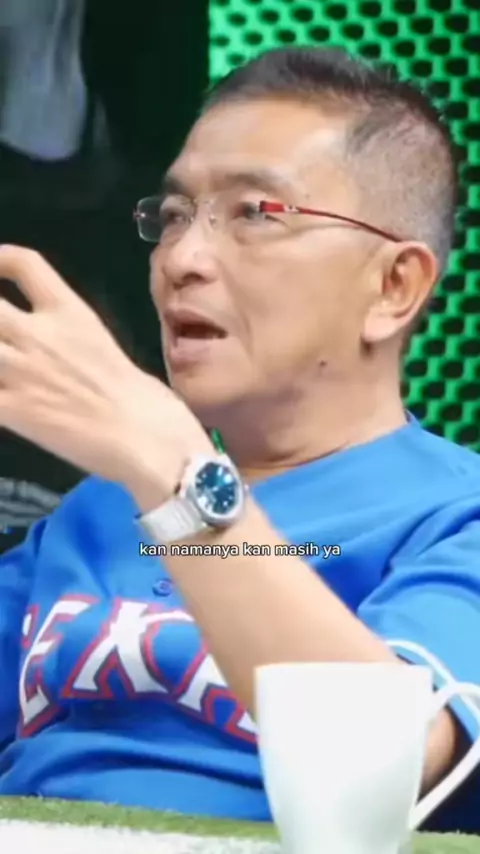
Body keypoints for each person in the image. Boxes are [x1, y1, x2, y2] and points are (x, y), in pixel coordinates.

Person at [0, 45, 479, 832]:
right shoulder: (95, 512)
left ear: (393, 287)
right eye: (175, 215)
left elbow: (369, 770)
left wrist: (175, 471)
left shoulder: (458, 518)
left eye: (257, 213)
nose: (182, 259)